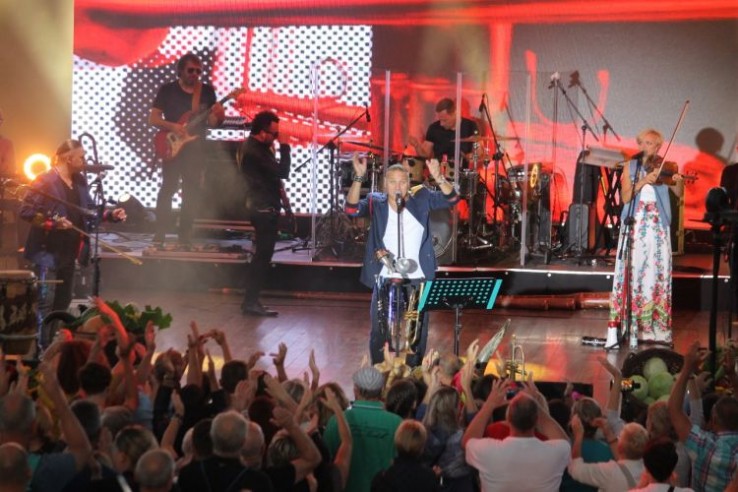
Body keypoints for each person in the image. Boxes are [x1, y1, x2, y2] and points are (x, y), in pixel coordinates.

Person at [345, 155, 458, 366]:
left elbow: (452, 199)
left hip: (417, 275)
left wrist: (439, 177)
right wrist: (359, 178)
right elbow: (351, 209)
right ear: (384, 184)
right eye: (392, 182)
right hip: (385, 274)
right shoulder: (375, 202)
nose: (398, 186)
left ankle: (413, 371)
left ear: (409, 183)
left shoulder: (421, 198)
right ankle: (380, 370)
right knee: (380, 330)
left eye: (402, 181)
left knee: (417, 330)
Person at [19, 139, 126, 317]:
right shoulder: (45, 180)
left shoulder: (79, 181)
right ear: (69, 158)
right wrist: (54, 224)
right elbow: (26, 211)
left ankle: (56, 335)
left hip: (70, 252)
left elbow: (89, 210)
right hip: (47, 253)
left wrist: (111, 215)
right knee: (45, 303)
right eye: (81, 157)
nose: (85, 161)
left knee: (63, 302)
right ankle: (41, 336)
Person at [608, 128, 684, 346]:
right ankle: (634, 328)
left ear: (658, 147)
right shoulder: (630, 166)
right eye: (642, 142)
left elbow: (678, 193)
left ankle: (658, 328)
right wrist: (642, 181)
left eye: (650, 143)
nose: (644, 147)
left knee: (656, 271)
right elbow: (625, 198)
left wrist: (678, 180)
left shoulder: (665, 167)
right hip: (636, 224)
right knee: (635, 271)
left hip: (658, 226)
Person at [149, 52, 225, 246]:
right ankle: (160, 233)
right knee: (168, 188)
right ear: (180, 71)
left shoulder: (206, 91)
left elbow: (212, 123)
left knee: (191, 192)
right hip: (173, 145)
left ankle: (185, 236)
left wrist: (219, 115)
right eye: (191, 70)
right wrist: (173, 126)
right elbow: (153, 118)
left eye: (198, 71)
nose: (195, 74)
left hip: (195, 149)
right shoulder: (167, 90)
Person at [462, 379, 571, 492]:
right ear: (536, 420)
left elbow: (468, 441)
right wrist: (535, 404)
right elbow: (564, 441)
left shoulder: (489, 451)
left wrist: (490, 404)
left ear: (507, 419)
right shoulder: (554, 453)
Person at [238, 110, 291, 317]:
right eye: (274, 134)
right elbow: (283, 172)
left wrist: (284, 202)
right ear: (262, 132)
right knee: (262, 256)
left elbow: (273, 178)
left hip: (265, 205)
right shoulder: (254, 151)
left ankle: (251, 301)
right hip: (261, 208)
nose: (276, 138)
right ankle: (250, 302)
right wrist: (285, 146)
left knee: (263, 255)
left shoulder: (259, 148)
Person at [408, 98, 479, 163]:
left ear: (454, 114)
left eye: (445, 120)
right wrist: (417, 146)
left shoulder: (471, 126)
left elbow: (479, 152)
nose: (441, 124)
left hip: (462, 171)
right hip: (439, 171)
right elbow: (426, 154)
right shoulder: (434, 128)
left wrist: (472, 156)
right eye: (440, 120)